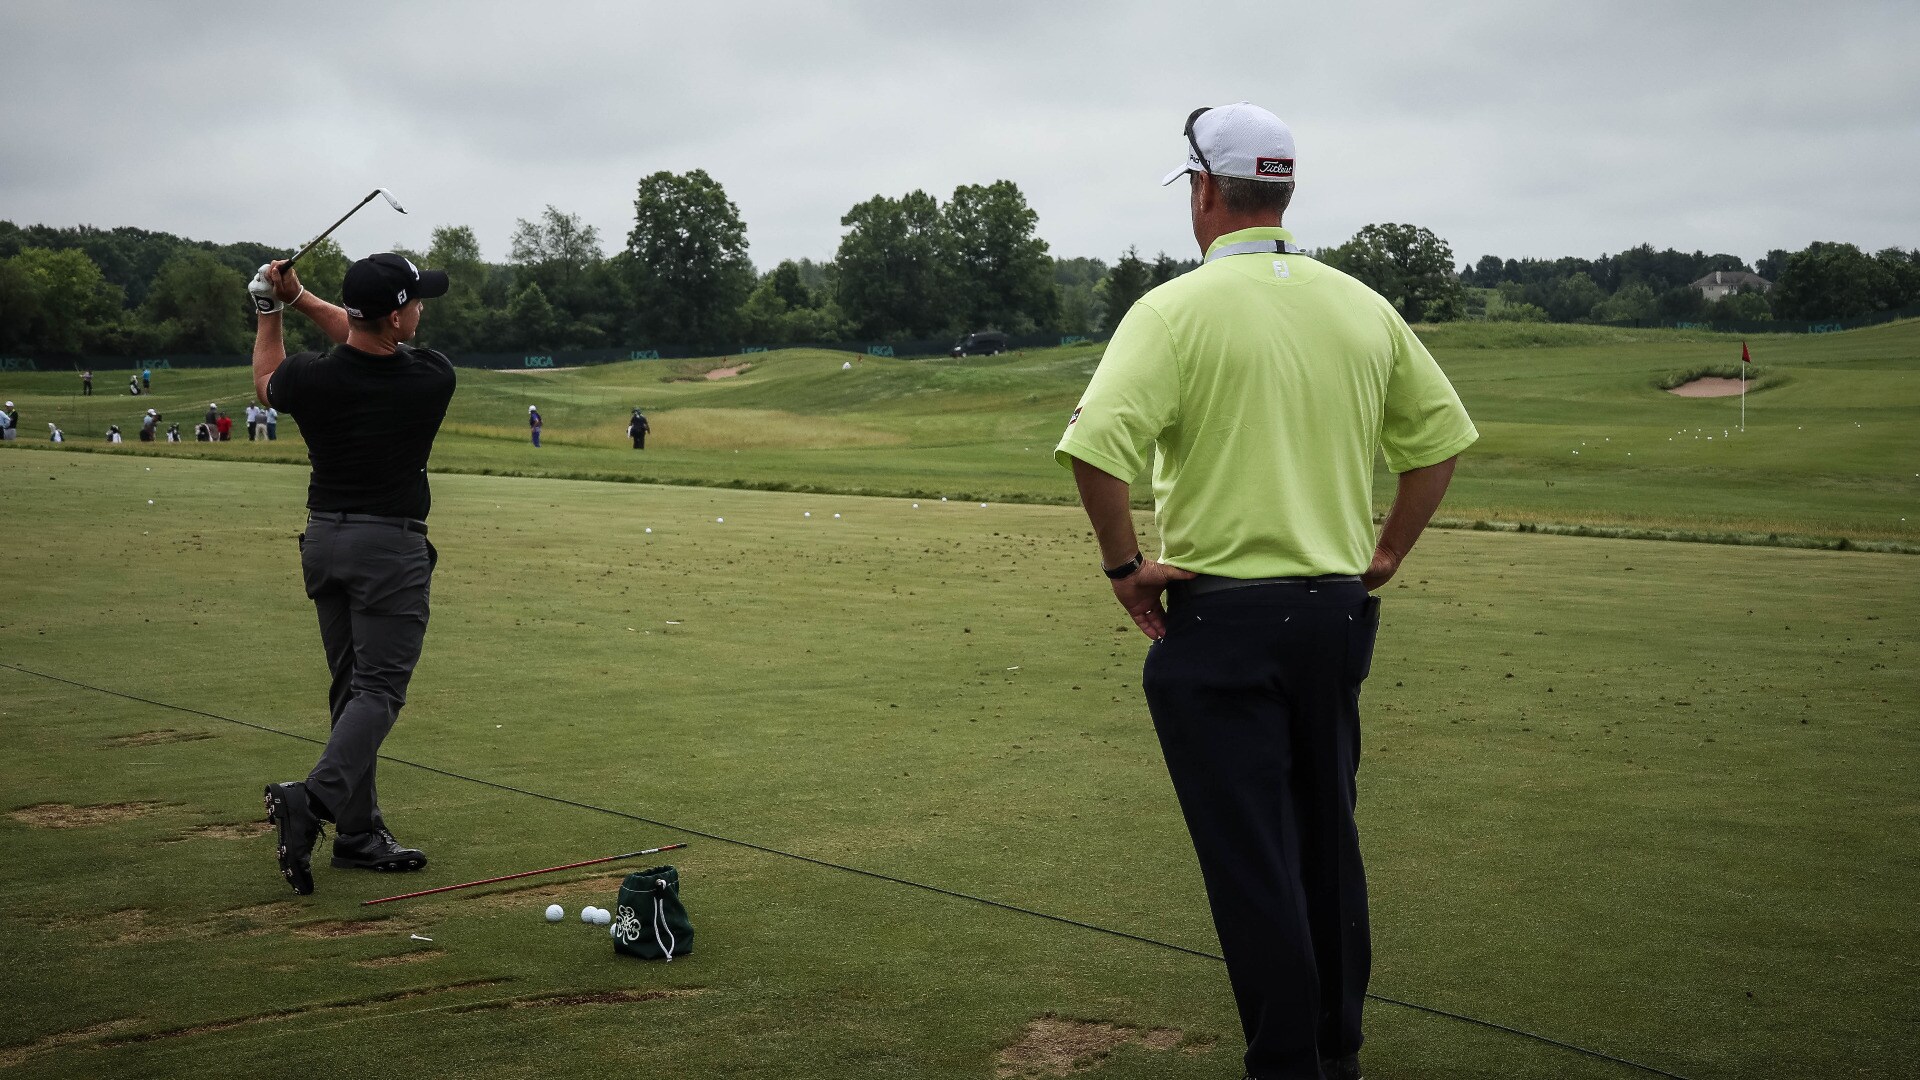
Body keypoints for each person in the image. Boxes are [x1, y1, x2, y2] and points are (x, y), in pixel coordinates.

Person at [1055, 102, 1477, 1080]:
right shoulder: (1361, 303)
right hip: (1335, 614)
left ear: (1205, 191)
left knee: (1252, 859)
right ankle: (1337, 1052)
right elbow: (1439, 446)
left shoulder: (1172, 310)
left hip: (1223, 620)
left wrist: (1126, 569)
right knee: (1327, 842)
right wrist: (1385, 557)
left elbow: (1093, 450)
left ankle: (1287, 1064)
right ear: (1282, 189)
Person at [250, 251, 455, 896]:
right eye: (416, 301)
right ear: (397, 316)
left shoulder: (313, 379)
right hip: (387, 548)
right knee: (381, 688)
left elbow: (268, 383)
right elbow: (359, 335)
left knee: (350, 687)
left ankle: (360, 835)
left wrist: (273, 308)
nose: (422, 308)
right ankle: (312, 801)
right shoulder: (430, 377)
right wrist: (300, 299)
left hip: (325, 541)